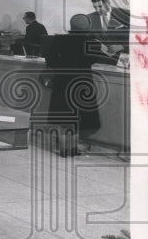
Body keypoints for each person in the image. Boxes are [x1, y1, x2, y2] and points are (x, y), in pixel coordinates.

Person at [42, 13, 114, 156]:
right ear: (87, 26)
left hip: (62, 82)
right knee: (77, 120)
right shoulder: (91, 41)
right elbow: (95, 59)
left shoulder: (59, 40)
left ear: (71, 25)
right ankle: (73, 150)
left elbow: (50, 59)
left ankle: (63, 151)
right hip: (82, 82)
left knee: (63, 120)